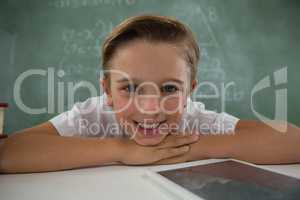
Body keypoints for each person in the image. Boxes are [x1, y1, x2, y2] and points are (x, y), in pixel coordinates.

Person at [0, 15, 299, 173]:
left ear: (189, 92)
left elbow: (293, 141)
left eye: (169, 88)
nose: (150, 108)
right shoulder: (93, 115)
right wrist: (123, 150)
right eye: (129, 88)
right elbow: (10, 153)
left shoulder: (194, 121)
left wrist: (180, 149)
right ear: (107, 91)